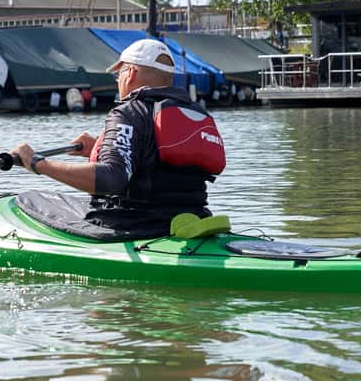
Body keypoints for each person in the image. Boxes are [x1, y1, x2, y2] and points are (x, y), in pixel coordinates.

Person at [13, 38, 226, 235]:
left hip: (133, 228)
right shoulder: (197, 113)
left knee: (27, 200)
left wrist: (38, 163)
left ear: (131, 72)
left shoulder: (129, 111)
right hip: (189, 221)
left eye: (119, 74)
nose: (118, 81)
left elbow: (111, 179)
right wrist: (101, 147)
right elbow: (159, 166)